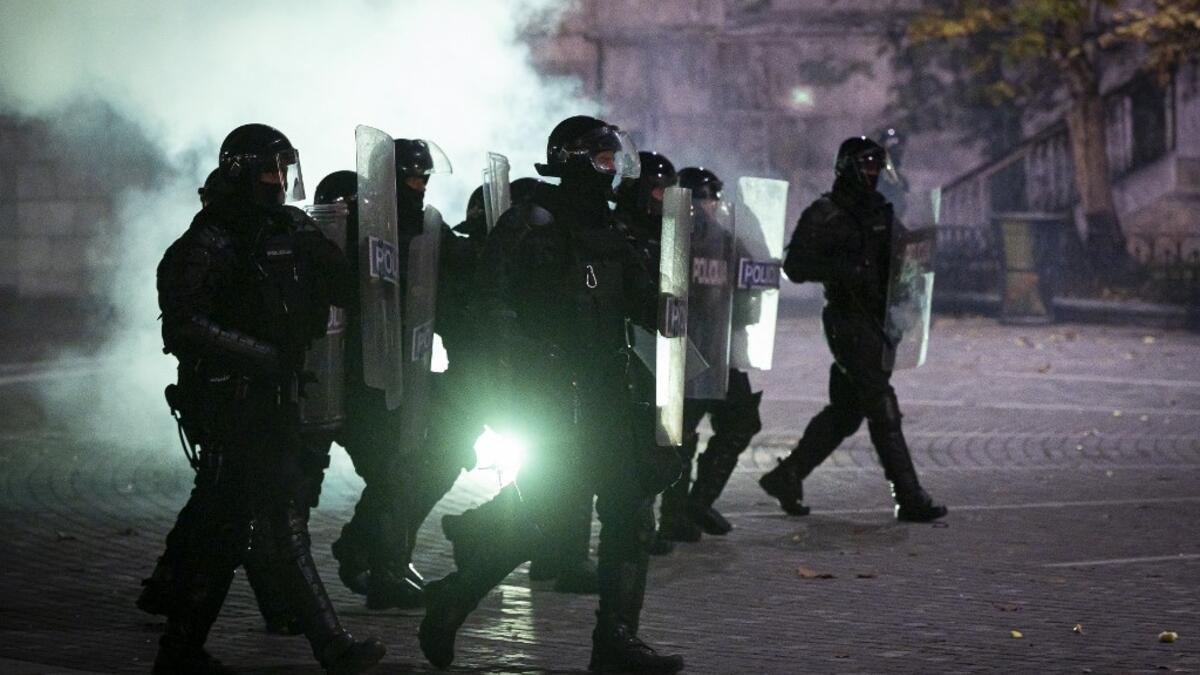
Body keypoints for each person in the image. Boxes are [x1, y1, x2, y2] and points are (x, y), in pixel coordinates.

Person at [419, 115, 684, 674]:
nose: (613, 173)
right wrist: (526, 376)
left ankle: (614, 639)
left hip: (608, 389)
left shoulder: (607, 226)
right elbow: (493, 309)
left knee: (630, 512)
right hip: (552, 394)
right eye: (604, 161)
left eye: (616, 162)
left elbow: (635, 295)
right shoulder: (529, 223)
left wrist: (666, 300)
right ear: (573, 161)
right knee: (545, 520)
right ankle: (454, 598)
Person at [150, 123, 384, 674]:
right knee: (259, 526)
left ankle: (181, 651)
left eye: (284, 168)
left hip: (275, 401)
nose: (278, 180)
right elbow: (183, 326)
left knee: (244, 528)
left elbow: (340, 286)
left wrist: (366, 248)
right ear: (240, 173)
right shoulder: (207, 243)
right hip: (229, 405)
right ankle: (329, 648)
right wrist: (261, 356)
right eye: (267, 170)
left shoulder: (292, 228)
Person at [759, 136, 947, 523]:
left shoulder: (881, 211)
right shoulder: (825, 213)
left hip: (877, 320)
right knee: (881, 403)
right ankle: (909, 496)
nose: (874, 173)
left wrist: (915, 263)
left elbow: (900, 258)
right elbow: (794, 266)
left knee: (846, 413)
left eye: (879, 166)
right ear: (848, 167)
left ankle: (786, 475)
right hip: (847, 320)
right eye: (867, 166)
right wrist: (844, 270)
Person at [329, 137, 457, 611]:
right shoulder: (354, 231)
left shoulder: (427, 230)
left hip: (409, 372)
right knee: (395, 473)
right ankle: (385, 569)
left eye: (424, 178)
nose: (420, 187)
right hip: (359, 377)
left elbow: (456, 274)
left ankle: (371, 553)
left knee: (432, 460)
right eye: (411, 178)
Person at [654, 167, 765, 545]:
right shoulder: (669, 240)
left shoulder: (725, 240)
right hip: (685, 352)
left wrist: (749, 303)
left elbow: (754, 279)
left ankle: (696, 504)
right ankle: (673, 516)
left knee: (739, 422)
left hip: (721, 353)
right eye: (702, 198)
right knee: (681, 435)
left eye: (712, 199)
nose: (708, 206)